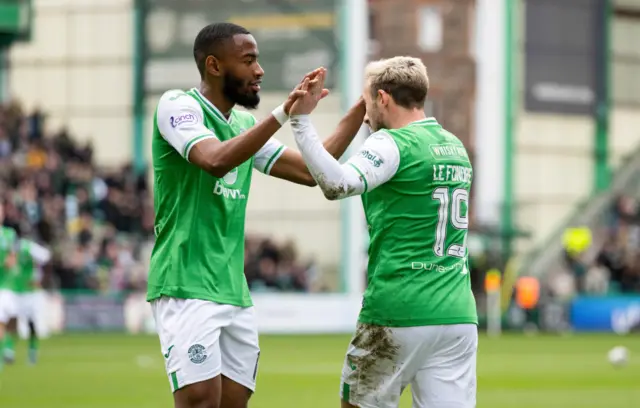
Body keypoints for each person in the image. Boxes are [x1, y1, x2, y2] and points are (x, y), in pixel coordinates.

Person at [146, 22, 365, 408]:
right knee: (200, 399)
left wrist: (363, 105)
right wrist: (283, 113)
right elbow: (213, 159)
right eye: (248, 60)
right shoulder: (178, 107)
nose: (259, 70)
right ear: (214, 66)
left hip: (234, 290)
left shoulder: (245, 125)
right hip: (185, 283)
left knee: (234, 402)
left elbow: (312, 171)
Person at [288, 56, 478, 408]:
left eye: (366, 102)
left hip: (399, 310)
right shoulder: (455, 147)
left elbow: (336, 184)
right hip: (457, 316)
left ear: (383, 98)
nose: (365, 114)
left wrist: (300, 121)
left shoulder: (392, 142)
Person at [8, 234, 51, 365]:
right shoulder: (7, 249)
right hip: (14, 290)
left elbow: (45, 257)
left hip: (29, 292)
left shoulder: (28, 248)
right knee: (10, 320)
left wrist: (41, 280)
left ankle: (32, 351)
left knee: (30, 323)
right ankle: (8, 350)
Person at [0, 202, 18, 371]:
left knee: (12, 319)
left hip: (10, 286)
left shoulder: (9, 234)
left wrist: (11, 261)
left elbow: (13, 257)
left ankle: (9, 348)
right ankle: (4, 354)